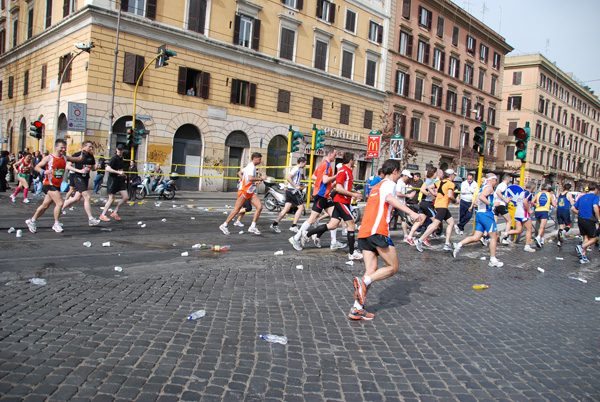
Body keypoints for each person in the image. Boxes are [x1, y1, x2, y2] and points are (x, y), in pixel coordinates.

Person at [348, 159, 422, 320]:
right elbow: (390, 199)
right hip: (378, 231)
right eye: (399, 173)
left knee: (371, 270)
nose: (399, 176)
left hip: (365, 232)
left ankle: (357, 308)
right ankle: (363, 281)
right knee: (393, 267)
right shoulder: (389, 184)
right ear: (395, 171)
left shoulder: (376, 186)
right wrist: (412, 213)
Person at [302, 152, 363, 259]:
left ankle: (307, 234)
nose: (355, 162)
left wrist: (354, 192)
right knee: (351, 224)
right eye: (354, 160)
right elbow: (339, 188)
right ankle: (352, 253)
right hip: (341, 201)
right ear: (351, 160)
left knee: (332, 225)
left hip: (344, 201)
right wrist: (353, 194)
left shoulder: (349, 171)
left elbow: (344, 187)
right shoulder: (343, 171)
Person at [25, 139, 83, 233]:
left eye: (64, 148)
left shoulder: (64, 158)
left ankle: (32, 220)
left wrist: (84, 152)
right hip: (48, 184)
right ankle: (56, 224)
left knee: (45, 205)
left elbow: (79, 159)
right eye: (61, 148)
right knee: (60, 203)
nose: (63, 150)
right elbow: (37, 167)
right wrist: (44, 171)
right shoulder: (49, 158)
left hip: (56, 185)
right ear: (56, 147)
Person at [288, 146, 337, 250]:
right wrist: (336, 176)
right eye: (334, 154)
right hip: (322, 195)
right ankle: (296, 238)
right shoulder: (327, 165)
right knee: (312, 219)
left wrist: (329, 182)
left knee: (335, 218)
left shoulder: (321, 165)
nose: (335, 157)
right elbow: (324, 180)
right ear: (329, 154)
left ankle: (333, 241)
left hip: (325, 194)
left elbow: (314, 177)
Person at [452, 173, 504, 267]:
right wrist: (492, 204)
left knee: (476, 237)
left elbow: (476, 201)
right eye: (496, 181)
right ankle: (493, 259)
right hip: (486, 214)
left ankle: (458, 244)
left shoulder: (482, 188)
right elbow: (481, 197)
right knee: (493, 236)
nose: (496, 183)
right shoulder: (489, 188)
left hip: (479, 214)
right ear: (492, 180)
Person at [220, 152, 267, 235]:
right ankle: (224, 225)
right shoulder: (251, 167)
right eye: (259, 159)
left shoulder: (249, 166)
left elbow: (240, 173)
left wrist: (246, 181)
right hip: (244, 191)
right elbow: (249, 178)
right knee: (236, 210)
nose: (260, 161)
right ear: (255, 158)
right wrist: (261, 178)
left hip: (250, 191)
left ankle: (252, 226)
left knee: (259, 207)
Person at [61, 141, 101, 226]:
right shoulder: (77, 155)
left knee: (77, 198)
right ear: (84, 146)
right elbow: (68, 166)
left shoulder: (91, 157)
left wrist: (97, 168)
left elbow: (93, 168)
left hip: (85, 178)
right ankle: (90, 218)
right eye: (89, 146)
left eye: (91, 147)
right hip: (78, 177)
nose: (90, 148)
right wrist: (79, 171)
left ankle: (61, 208)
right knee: (87, 197)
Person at [415, 169, 457, 252]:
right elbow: (449, 195)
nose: (454, 177)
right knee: (435, 225)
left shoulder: (440, 182)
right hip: (443, 206)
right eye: (454, 175)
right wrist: (455, 200)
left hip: (438, 205)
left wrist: (434, 194)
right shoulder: (451, 184)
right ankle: (420, 240)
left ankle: (447, 243)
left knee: (451, 222)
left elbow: (428, 187)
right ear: (451, 175)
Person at [270, 157, 307, 234]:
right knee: (301, 207)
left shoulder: (297, 169)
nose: (305, 165)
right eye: (305, 163)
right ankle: (294, 226)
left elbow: (292, 179)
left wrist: (298, 185)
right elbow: (288, 177)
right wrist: (295, 186)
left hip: (290, 191)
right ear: (302, 162)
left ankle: (275, 224)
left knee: (286, 209)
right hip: (293, 191)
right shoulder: (296, 169)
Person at [405, 166, 437, 246]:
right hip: (427, 203)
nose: (436, 174)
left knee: (420, 221)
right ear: (433, 173)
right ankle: (424, 238)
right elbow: (422, 189)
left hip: (424, 203)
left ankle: (410, 236)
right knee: (436, 222)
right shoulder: (429, 181)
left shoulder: (429, 181)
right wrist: (432, 195)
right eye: (436, 173)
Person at [502, 181, 537, 252]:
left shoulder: (522, 193)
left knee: (519, 230)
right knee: (529, 230)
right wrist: (529, 210)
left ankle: (506, 233)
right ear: (532, 188)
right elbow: (525, 201)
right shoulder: (529, 193)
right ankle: (527, 246)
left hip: (517, 213)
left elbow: (518, 202)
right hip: (524, 213)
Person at [99, 144, 129, 221]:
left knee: (126, 197)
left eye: (121, 149)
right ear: (116, 149)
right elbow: (107, 168)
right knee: (111, 199)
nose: (119, 150)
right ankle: (103, 214)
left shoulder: (121, 158)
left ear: (123, 150)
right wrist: (118, 172)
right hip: (113, 180)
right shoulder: (114, 158)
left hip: (119, 180)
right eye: (118, 149)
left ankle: (115, 211)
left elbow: (120, 169)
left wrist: (123, 175)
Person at [571, 184, 599, 264]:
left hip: (580, 220)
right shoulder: (595, 197)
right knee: (594, 239)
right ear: (596, 189)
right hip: (589, 220)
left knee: (586, 238)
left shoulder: (582, 197)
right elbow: (595, 206)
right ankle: (581, 247)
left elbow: (572, 208)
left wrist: (579, 213)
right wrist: (599, 218)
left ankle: (583, 257)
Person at [391, 170, 415, 239]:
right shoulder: (400, 182)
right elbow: (398, 193)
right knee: (404, 218)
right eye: (408, 177)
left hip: (400, 203)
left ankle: (394, 227)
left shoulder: (403, 183)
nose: (408, 178)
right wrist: (408, 195)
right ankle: (406, 235)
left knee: (392, 217)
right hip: (398, 203)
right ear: (404, 176)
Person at [532, 183, 556, 248]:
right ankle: (538, 237)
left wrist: (536, 205)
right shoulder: (550, 195)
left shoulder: (537, 194)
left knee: (541, 226)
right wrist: (552, 202)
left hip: (537, 210)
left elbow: (532, 202)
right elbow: (554, 204)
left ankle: (542, 239)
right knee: (542, 226)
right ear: (548, 188)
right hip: (545, 211)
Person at [493, 174, 514, 244]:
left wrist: (507, 199)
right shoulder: (504, 185)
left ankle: (486, 236)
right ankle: (505, 237)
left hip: (496, 204)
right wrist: (505, 199)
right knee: (509, 220)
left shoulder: (500, 184)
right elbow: (498, 192)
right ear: (507, 179)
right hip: (501, 205)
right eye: (509, 179)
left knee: (494, 221)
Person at [556, 183, 574, 247]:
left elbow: (556, 202)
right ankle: (563, 232)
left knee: (560, 226)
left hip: (559, 210)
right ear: (569, 189)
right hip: (565, 211)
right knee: (569, 224)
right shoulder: (569, 194)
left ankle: (559, 242)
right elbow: (572, 203)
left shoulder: (560, 194)